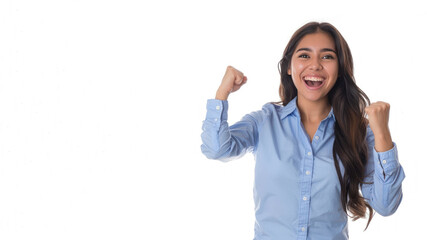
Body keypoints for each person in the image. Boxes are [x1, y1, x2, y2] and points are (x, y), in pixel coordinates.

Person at [200, 22, 405, 240]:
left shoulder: (359, 132)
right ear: (289, 67)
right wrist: (222, 92)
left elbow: (386, 205)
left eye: (327, 57)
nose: (315, 65)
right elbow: (216, 149)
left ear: (340, 68)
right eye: (305, 56)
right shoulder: (265, 121)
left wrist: (382, 135)